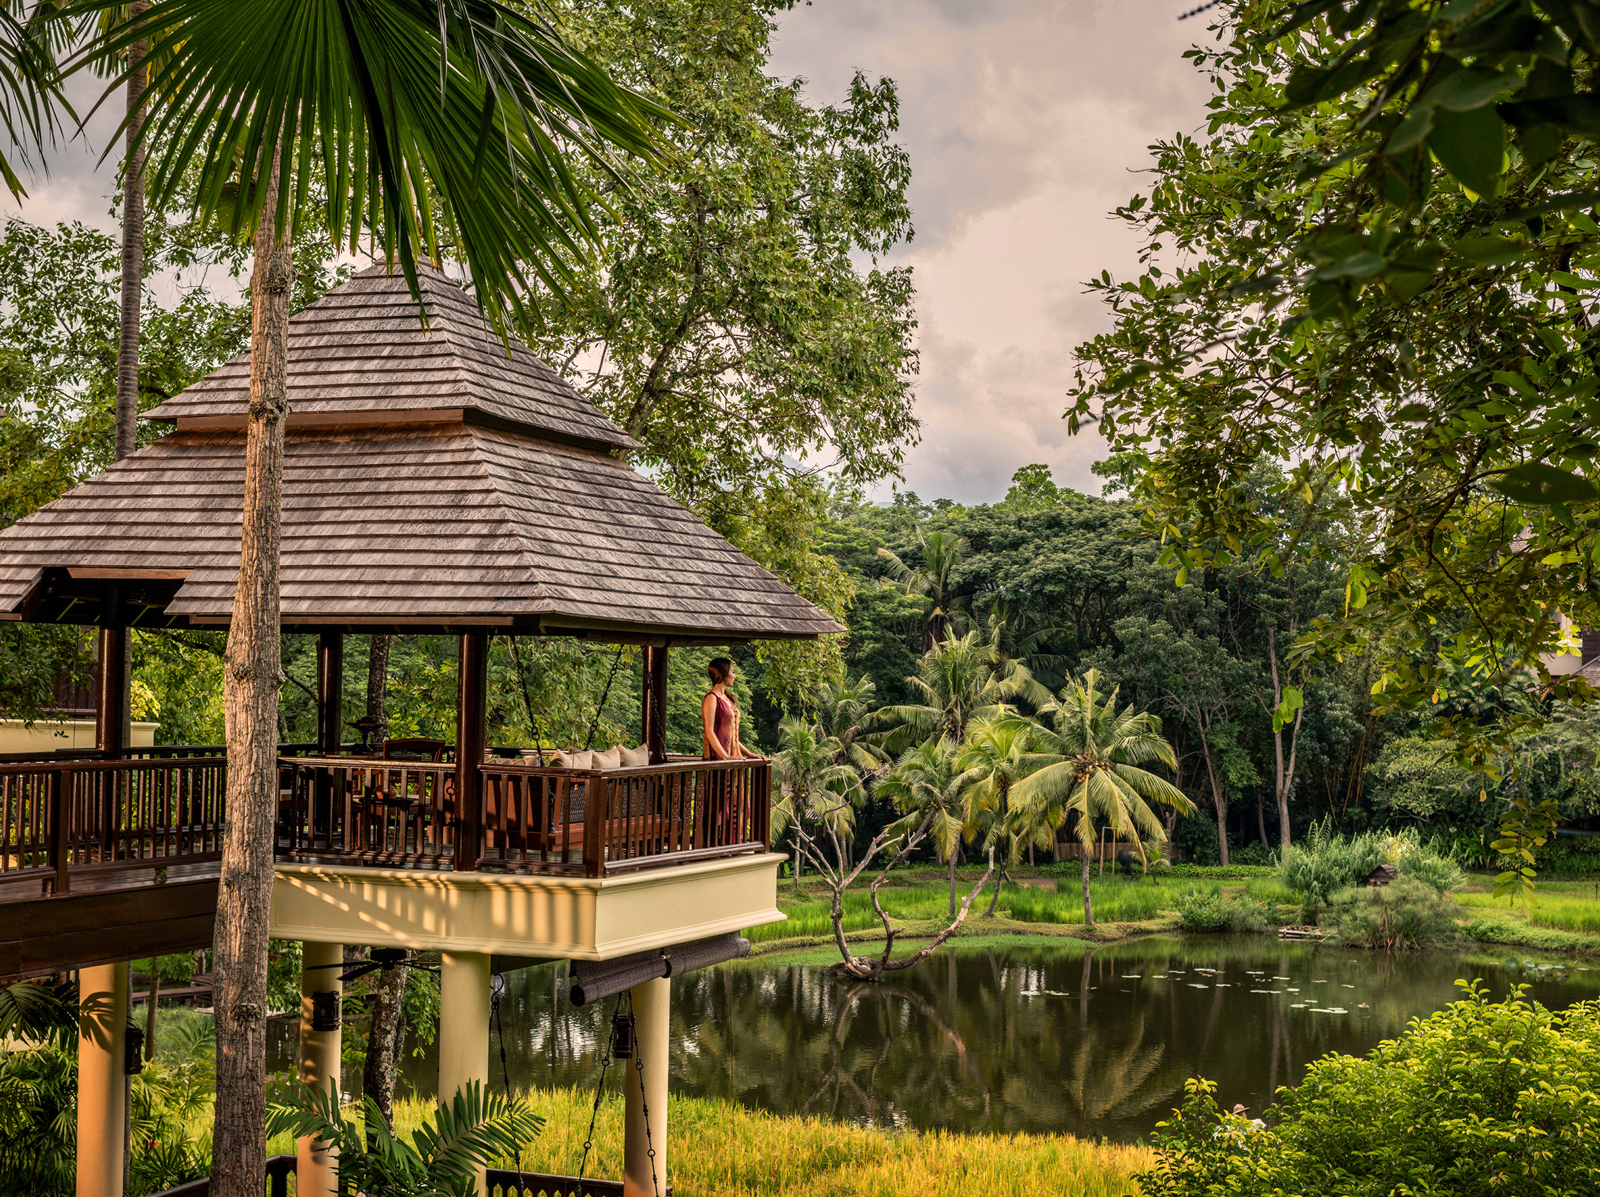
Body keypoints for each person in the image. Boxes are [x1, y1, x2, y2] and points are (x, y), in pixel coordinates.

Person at [701, 657, 755, 760]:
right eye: (732, 672)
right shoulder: (711, 698)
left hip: (733, 758)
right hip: (718, 760)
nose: (734, 676)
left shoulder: (728, 699)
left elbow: (732, 736)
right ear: (723, 674)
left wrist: (749, 754)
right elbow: (709, 731)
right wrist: (726, 757)